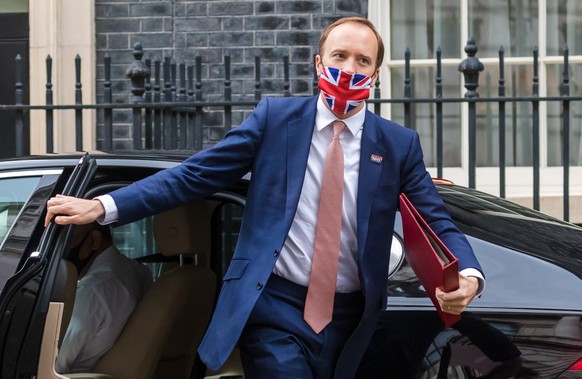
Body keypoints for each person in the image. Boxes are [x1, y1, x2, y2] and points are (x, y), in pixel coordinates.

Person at [45, 16, 484, 379]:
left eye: (362, 60)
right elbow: (194, 176)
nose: (349, 68)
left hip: (354, 321)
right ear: (318, 63)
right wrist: (103, 206)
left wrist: (468, 275)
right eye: (339, 56)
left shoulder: (397, 144)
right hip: (276, 309)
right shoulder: (275, 119)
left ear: (374, 74)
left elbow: (435, 220)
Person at [56, 222, 152, 374]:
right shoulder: (137, 270)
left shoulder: (90, 292)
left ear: (94, 240)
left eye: (65, 240)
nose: (57, 251)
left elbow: (52, 363)